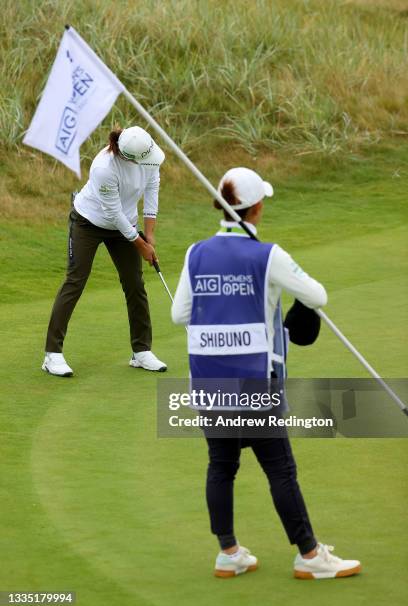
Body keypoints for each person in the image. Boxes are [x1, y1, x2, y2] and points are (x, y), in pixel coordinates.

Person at [171, 167, 361, 579]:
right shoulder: (267, 254)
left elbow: (180, 314)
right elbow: (317, 296)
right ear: (255, 208)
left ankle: (229, 552)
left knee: (221, 466)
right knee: (280, 469)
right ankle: (311, 557)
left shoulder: (195, 253)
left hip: (207, 384)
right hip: (255, 383)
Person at [42, 126, 167, 376]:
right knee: (75, 280)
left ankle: (141, 351)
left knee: (134, 283)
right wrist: (140, 244)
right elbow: (112, 213)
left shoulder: (147, 154)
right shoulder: (104, 168)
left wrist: (149, 235)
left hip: (125, 223)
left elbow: (152, 191)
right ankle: (52, 355)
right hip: (89, 222)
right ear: (128, 156)